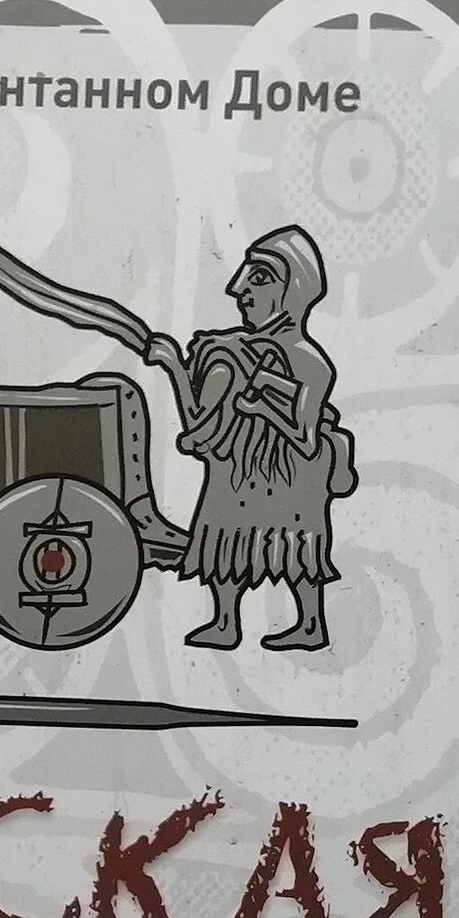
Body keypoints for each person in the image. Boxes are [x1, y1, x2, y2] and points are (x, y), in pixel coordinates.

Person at [144, 226, 356, 651]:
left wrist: (262, 406)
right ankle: (225, 621)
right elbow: (200, 427)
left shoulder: (311, 363)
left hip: (290, 476)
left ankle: (310, 624)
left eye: (259, 277)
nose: (237, 288)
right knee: (225, 541)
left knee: (295, 551)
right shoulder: (230, 352)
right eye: (244, 274)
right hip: (235, 469)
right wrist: (175, 366)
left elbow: (306, 438)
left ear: (292, 290)